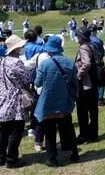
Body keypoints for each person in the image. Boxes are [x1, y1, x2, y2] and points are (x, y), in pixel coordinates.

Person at [34, 36, 80, 167]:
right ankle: (74, 153)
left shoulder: (45, 64)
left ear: (49, 50)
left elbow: (38, 83)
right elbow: (75, 82)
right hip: (65, 101)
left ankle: (52, 159)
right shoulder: (70, 62)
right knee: (68, 128)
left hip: (48, 102)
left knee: (50, 132)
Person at [0, 35, 32, 168]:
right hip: (15, 97)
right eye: (20, 46)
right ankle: (11, 159)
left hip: (4, 95)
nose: (22, 48)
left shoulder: (2, 60)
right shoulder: (16, 62)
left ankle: (0, 157)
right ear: (15, 48)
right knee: (17, 128)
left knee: (4, 128)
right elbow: (27, 79)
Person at [75, 28, 99, 143]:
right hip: (93, 82)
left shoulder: (84, 47)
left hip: (86, 83)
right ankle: (93, 134)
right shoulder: (92, 45)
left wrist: (79, 75)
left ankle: (84, 135)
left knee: (82, 110)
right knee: (93, 110)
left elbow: (87, 63)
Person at [89, 24, 105, 106]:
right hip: (98, 63)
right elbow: (102, 53)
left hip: (89, 64)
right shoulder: (99, 41)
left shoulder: (85, 40)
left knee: (91, 82)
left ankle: (92, 98)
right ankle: (99, 99)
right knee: (101, 82)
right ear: (95, 31)